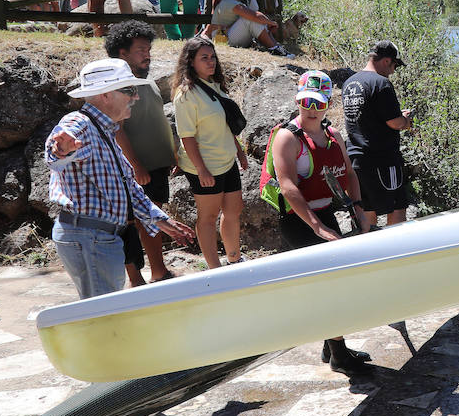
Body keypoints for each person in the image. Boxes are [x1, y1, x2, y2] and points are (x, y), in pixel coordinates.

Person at [44, 58, 194, 299]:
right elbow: (57, 151)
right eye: (129, 90)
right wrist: (62, 149)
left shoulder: (104, 129)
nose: (135, 97)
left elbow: (127, 187)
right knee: (104, 317)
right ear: (105, 95)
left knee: (105, 313)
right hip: (90, 237)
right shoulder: (79, 123)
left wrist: (161, 220)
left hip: (97, 237)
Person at [261, 70, 373, 373]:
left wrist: (359, 208)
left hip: (324, 214)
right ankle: (339, 355)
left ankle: (331, 347)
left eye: (318, 103)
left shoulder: (333, 135)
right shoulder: (287, 138)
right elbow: (287, 185)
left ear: (327, 104)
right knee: (330, 284)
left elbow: (349, 173)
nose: (311, 109)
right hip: (298, 221)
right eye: (306, 102)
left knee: (333, 281)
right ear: (298, 100)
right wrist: (316, 227)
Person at [104, 21, 180, 285]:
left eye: (148, 49)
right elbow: (116, 130)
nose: (147, 54)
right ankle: (140, 277)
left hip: (156, 165)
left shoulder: (144, 81)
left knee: (152, 218)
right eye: (140, 50)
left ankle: (159, 271)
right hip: (138, 170)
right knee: (141, 223)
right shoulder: (118, 85)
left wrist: (174, 155)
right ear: (122, 53)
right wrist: (136, 166)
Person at [173, 37, 248, 268]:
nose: (210, 61)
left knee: (233, 210)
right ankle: (214, 269)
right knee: (208, 217)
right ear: (190, 62)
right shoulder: (186, 95)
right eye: (204, 58)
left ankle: (234, 258)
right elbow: (187, 137)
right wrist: (201, 169)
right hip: (205, 166)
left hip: (226, 160)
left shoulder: (215, 85)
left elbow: (225, 124)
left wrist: (239, 150)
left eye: (212, 56)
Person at [342, 40, 416, 230]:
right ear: (386, 61)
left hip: (356, 159)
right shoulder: (381, 84)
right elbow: (394, 122)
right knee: (397, 207)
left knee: (366, 209)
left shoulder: (350, 83)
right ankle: (397, 251)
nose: (393, 71)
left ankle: (368, 252)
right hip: (383, 160)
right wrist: (406, 121)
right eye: (395, 65)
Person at [209, 0, 291, 55]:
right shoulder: (229, 2)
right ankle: (274, 49)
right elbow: (255, 15)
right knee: (250, 19)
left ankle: (276, 47)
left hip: (228, 36)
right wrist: (270, 23)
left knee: (257, 20)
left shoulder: (233, 0)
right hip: (222, 41)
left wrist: (267, 25)